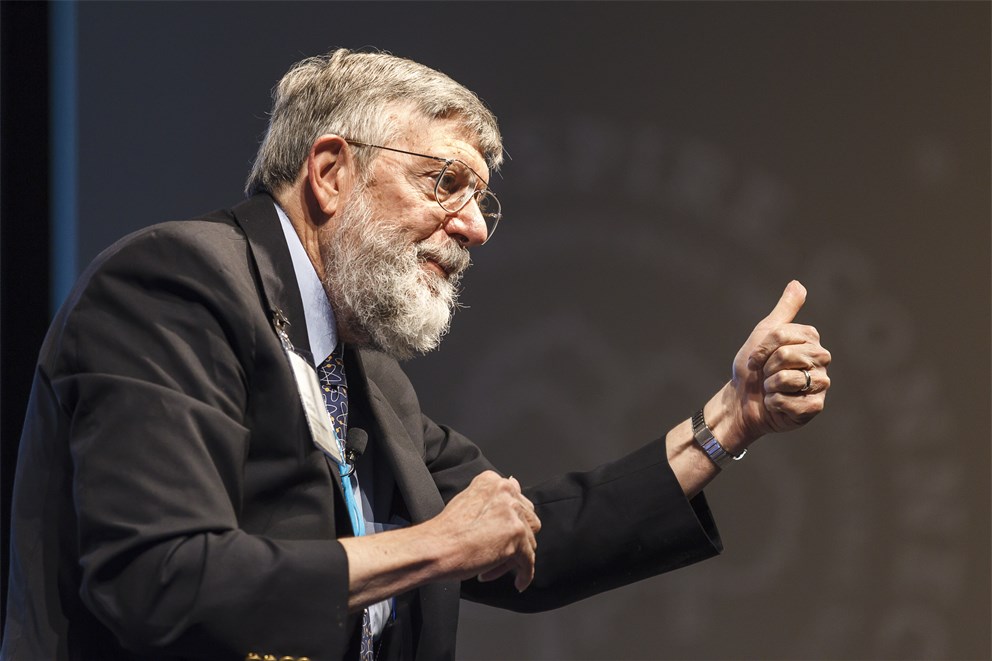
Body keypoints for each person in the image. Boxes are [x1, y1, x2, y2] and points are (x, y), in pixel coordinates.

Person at [1, 49, 831, 661]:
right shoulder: (174, 287)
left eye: (480, 201)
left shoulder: (369, 380)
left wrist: (730, 419)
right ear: (331, 172)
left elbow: (534, 539)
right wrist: (435, 546)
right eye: (445, 183)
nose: (472, 225)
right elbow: (162, 578)